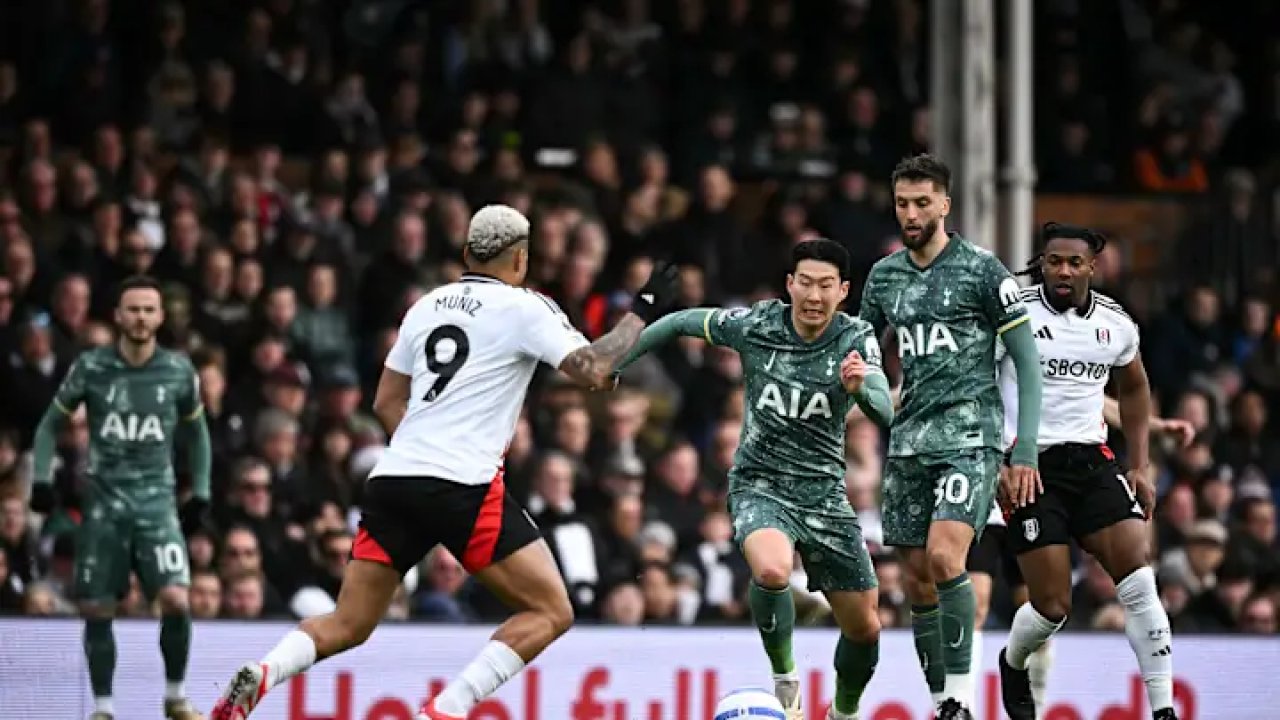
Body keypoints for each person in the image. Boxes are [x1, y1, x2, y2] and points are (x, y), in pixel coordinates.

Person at [210, 204, 678, 720]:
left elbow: (385, 402)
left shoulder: (426, 306)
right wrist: (642, 310)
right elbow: (592, 369)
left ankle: (265, 671)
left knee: (348, 623)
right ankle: (445, 711)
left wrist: (423, 455)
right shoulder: (526, 308)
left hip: (394, 476)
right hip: (464, 482)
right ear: (520, 259)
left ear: (467, 253)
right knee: (550, 609)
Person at [614, 239, 894, 720]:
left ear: (843, 291)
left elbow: (885, 408)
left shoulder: (856, 338)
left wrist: (861, 389)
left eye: (825, 285)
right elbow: (680, 322)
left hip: (824, 495)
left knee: (865, 629)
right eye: (805, 282)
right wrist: (617, 359)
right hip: (760, 483)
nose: (814, 295)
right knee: (771, 571)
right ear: (790, 284)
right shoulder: (757, 325)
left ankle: (844, 712)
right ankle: (786, 681)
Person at [857, 154, 1044, 720]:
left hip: (971, 438)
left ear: (945, 204)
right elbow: (863, 352)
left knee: (945, 557)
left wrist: (1024, 450)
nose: (911, 214)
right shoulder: (884, 276)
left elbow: (1027, 362)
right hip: (908, 441)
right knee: (917, 581)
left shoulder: (984, 271)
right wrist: (868, 390)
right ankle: (944, 705)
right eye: (902, 204)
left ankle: (961, 696)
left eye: (922, 202)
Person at [995, 223, 1180, 720]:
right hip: (1030, 465)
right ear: (1042, 263)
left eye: (1074, 263)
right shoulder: (1012, 313)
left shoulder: (1115, 324)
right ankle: (1013, 661)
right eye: (1054, 261)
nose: (1063, 271)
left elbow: (1134, 387)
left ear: (1091, 268)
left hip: (1092, 459)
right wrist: (998, 460)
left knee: (1138, 576)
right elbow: (979, 386)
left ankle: (1164, 708)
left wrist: (1140, 465)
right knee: (1053, 606)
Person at [30, 275, 213, 720]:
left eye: (149, 309)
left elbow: (198, 435)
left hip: (157, 505)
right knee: (97, 608)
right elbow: (49, 425)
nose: (141, 317)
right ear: (117, 315)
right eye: (133, 309)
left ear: (161, 316)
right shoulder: (92, 366)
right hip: (103, 506)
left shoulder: (178, 371)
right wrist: (41, 479)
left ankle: (175, 697)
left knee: (177, 599)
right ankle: (104, 708)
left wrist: (201, 491)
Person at [967, 385, 1195, 715]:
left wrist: (1155, 426)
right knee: (975, 602)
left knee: (1047, 610)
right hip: (997, 483)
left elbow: (1087, 395)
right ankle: (963, 706)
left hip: (1043, 481)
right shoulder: (1002, 354)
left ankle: (1035, 705)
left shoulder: (1066, 363)